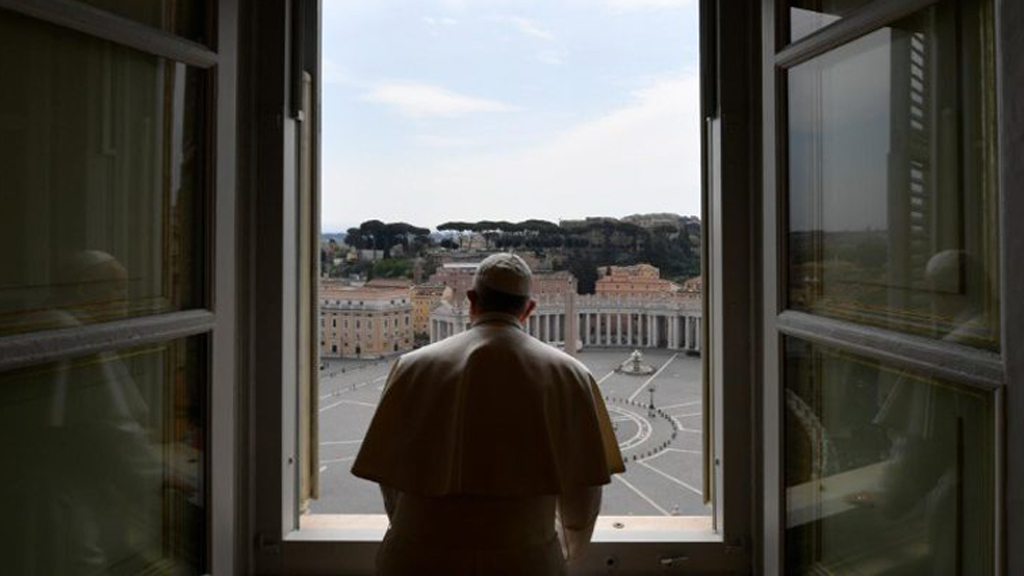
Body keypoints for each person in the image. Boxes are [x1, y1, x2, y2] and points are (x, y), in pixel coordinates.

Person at [352, 252, 624, 575]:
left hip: (415, 559)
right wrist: (562, 553)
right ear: (529, 309)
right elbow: (583, 502)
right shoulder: (572, 376)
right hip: (524, 562)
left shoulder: (410, 368)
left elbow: (391, 484)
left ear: (471, 300)